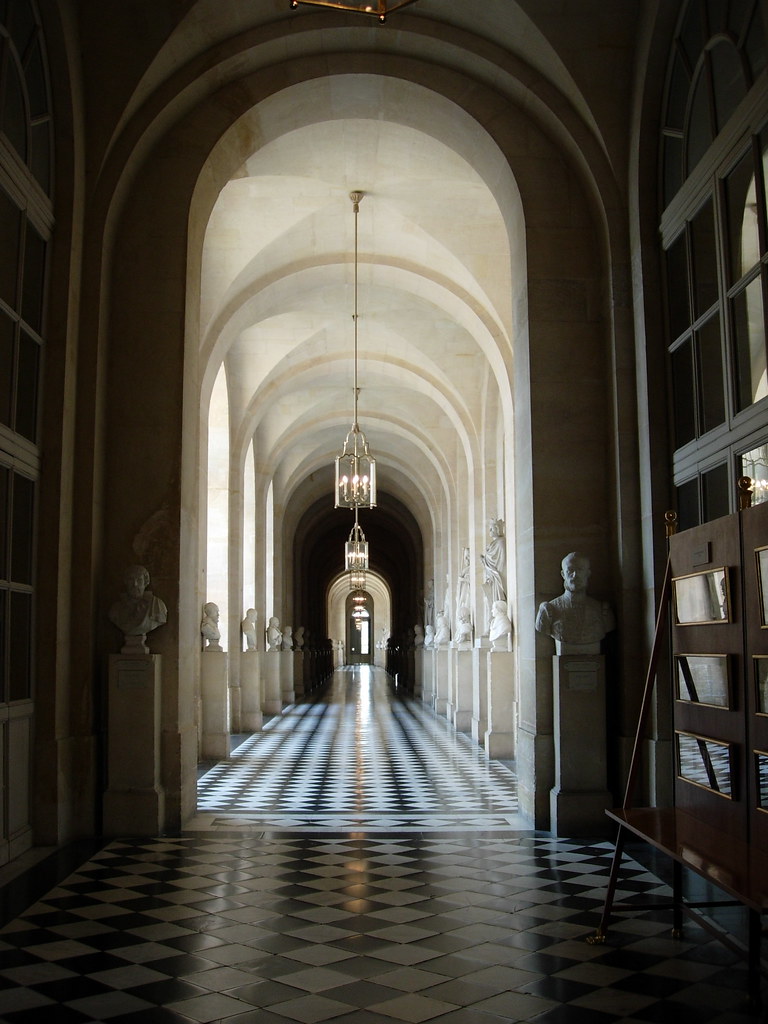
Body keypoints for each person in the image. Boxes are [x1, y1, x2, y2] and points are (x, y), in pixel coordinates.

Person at [535, 551, 615, 653]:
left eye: (580, 570)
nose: (575, 575)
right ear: (563, 574)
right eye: (570, 570)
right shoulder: (549, 610)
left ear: (588, 573)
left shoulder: (603, 611)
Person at [109, 565, 167, 653]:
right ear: (125, 582)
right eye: (130, 580)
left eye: (139, 580)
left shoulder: (157, 606)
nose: (135, 584)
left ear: (145, 583)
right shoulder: (116, 609)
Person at [481, 519, 507, 629]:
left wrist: (493, 574)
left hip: (497, 577)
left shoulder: (501, 543)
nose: (490, 531)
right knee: (488, 601)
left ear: (497, 529)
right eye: (489, 528)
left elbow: (501, 563)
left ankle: (499, 617)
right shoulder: (492, 544)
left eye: (492, 528)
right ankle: (492, 623)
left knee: (496, 600)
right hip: (491, 578)